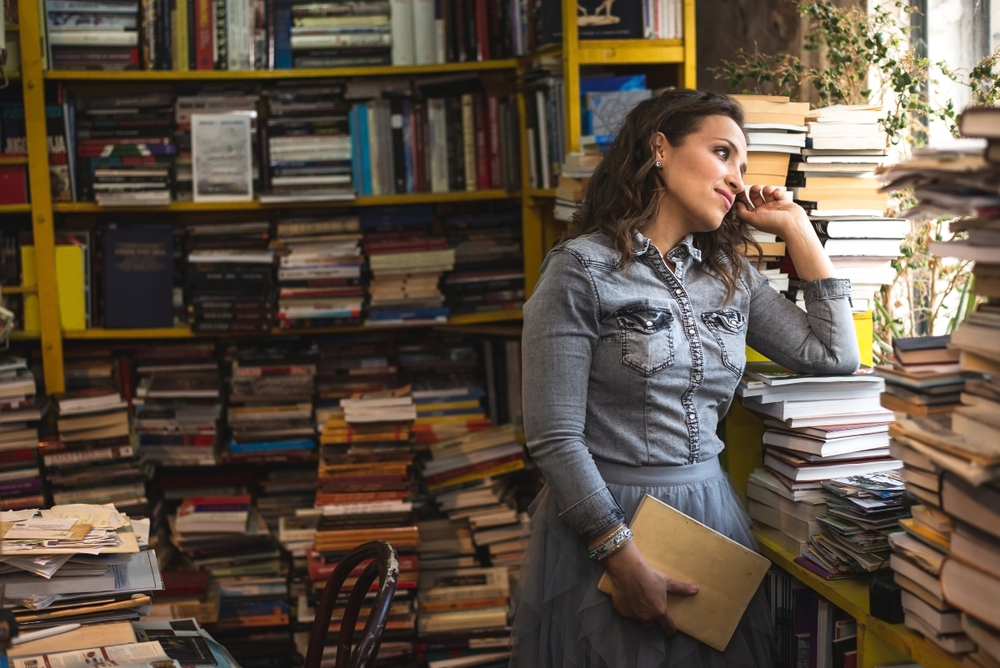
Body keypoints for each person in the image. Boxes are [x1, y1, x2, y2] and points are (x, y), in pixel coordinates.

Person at [508, 89, 860, 667]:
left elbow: (833, 355)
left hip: (711, 514)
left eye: (743, 167)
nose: (736, 179)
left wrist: (797, 227)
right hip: (608, 521)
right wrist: (621, 557)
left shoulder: (731, 275)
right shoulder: (580, 270)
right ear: (660, 149)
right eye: (722, 153)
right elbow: (553, 436)